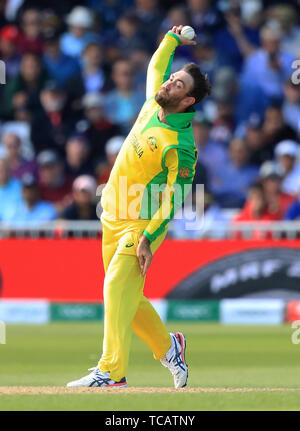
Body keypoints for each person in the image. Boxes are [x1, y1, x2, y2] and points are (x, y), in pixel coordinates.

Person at [67, 25, 211, 389]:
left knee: (115, 289)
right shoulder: (152, 104)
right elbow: (155, 68)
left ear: (188, 101)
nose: (168, 84)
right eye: (173, 80)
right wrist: (172, 39)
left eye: (178, 85)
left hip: (141, 223)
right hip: (112, 217)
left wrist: (149, 237)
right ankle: (170, 347)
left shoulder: (181, 145)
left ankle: (111, 372)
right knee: (127, 302)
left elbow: (175, 197)